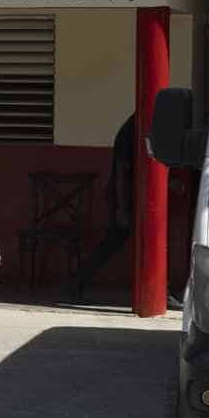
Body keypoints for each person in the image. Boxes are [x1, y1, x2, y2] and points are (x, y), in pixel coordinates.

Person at [63, 114, 138, 301]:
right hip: (126, 195)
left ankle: (76, 281)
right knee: (112, 243)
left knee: (112, 243)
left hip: (130, 194)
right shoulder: (132, 130)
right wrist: (122, 207)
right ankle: (75, 282)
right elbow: (122, 168)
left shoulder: (134, 126)